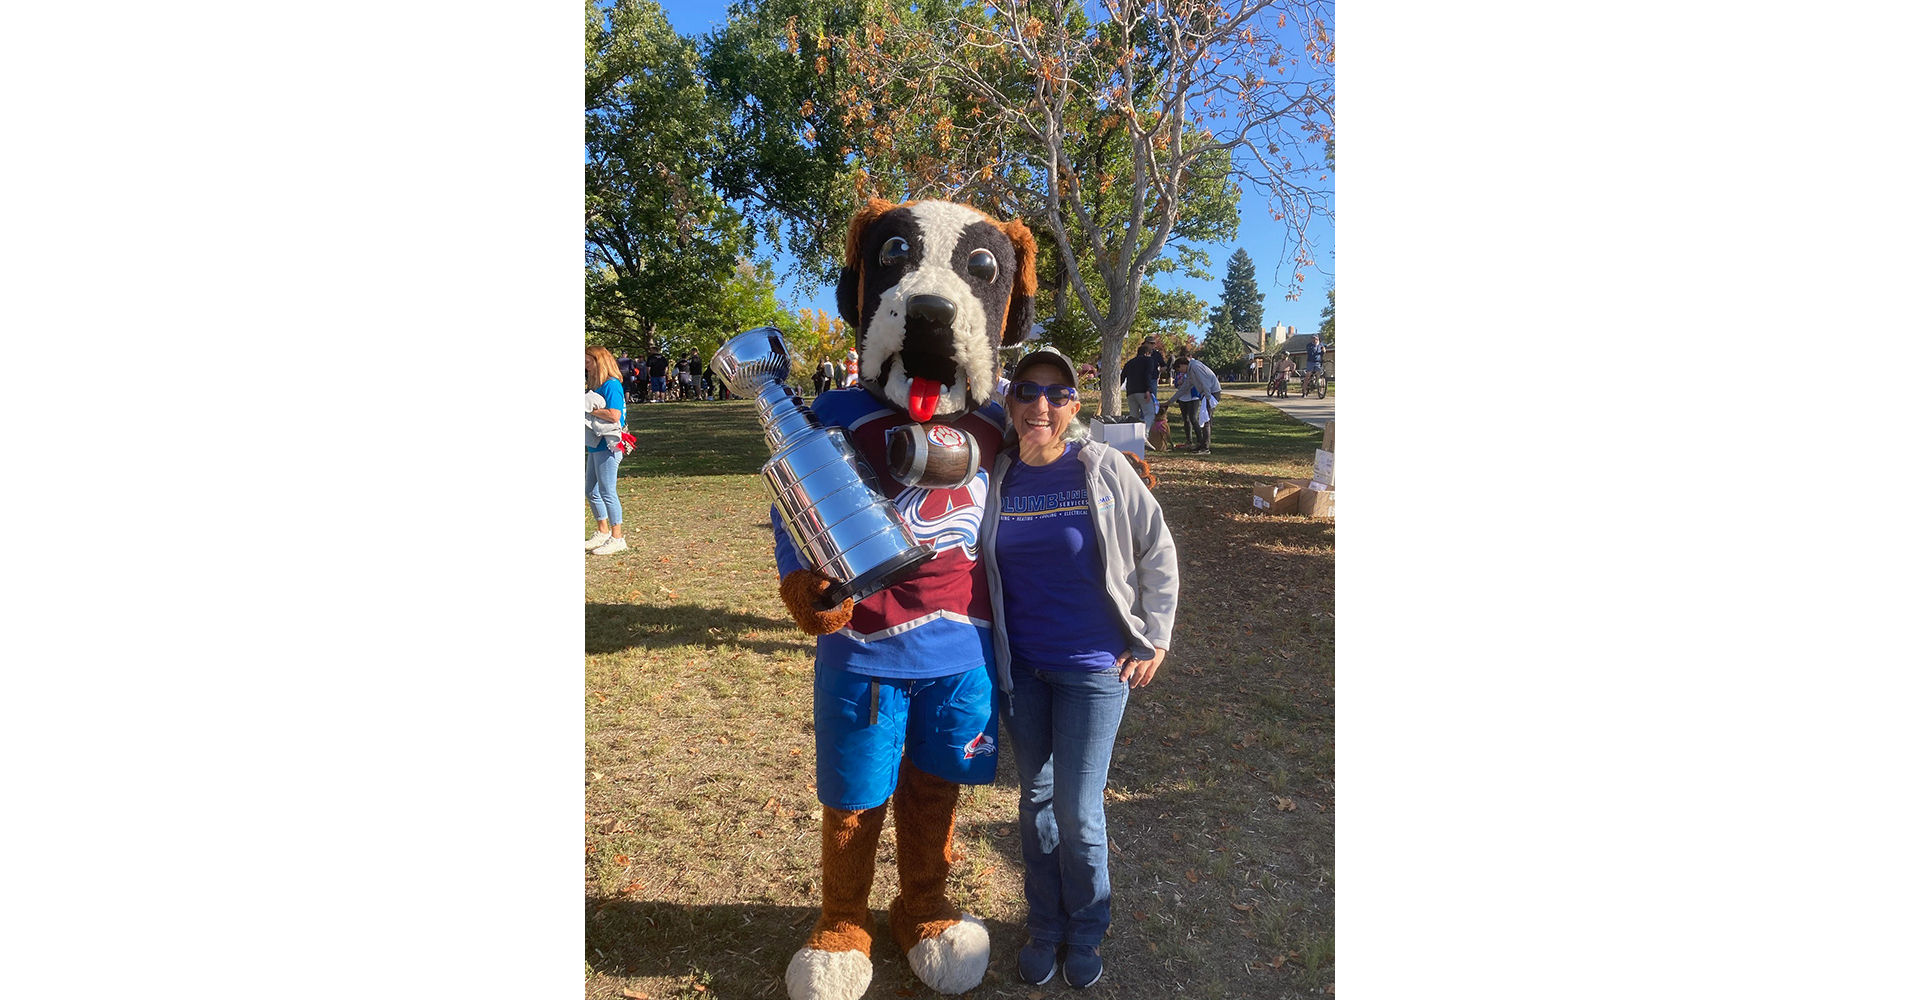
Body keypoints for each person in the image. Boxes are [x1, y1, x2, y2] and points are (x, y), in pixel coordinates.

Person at [980, 347, 1179, 990]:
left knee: (1077, 806)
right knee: (1034, 800)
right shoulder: (996, 477)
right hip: (1025, 669)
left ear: (1073, 406)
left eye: (1057, 395)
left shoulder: (1104, 468)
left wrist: (1155, 639)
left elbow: (1156, 549)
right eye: (1028, 392)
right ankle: (1045, 923)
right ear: (1009, 403)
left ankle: (1087, 926)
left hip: (1095, 667)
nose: (1041, 404)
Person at [585, 346, 629, 554]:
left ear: (599, 361)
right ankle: (602, 532)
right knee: (590, 490)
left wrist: (590, 409)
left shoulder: (612, 385)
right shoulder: (597, 386)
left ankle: (617, 538)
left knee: (607, 491)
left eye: (588, 362)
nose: (585, 367)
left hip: (609, 446)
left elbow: (614, 415)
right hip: (595, 444)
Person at [1171, 356, 1222, 455]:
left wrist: (1207, 397)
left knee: (1205, 419)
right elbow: (1185, 387)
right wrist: (1170, 401)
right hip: (1207, 394)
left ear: (1182, 365)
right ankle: (1202, 444)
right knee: (1203, 418)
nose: (1181, 372)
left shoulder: (1195, 366)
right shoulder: (1190, 371)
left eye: (1179, 369)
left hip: (1211, 393)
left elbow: (1205, 381)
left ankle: (1205, 448)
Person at [1119, 342, 1161, 426]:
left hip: (1130, 391)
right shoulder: (1149, 360)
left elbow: (1122, 376)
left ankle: (1133, 435)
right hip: (1142, 391)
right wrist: (1148, 389)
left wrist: (1118, 388)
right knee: (1149, 413)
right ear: (1147, 353)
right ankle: (1147, 434)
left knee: (1133, 415)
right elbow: (1147, 374)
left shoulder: (1129, 363)